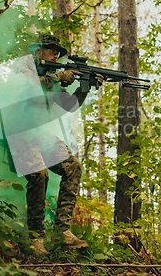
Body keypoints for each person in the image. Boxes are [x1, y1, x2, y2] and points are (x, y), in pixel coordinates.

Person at [11, 34, 101, 255]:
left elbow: (69, 105)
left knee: (73, 167)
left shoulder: (50, 74)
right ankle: (36, 237)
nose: (56, 55)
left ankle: (62, 232)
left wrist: (85, 84)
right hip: (18, 131)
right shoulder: (23, 65)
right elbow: (26, 90)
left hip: (39, 134)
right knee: (39, 174)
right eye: (52, 50)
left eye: (58, 52)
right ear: (38, 50)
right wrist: (60, 76)